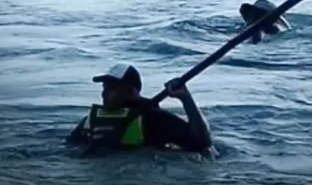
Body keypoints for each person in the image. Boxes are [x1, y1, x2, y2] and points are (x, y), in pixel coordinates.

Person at [67, 63, 212, 154]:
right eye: (104, 87)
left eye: (112, 87)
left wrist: (186, 99)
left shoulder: (152, 118)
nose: (104, 93)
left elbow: (200, 143)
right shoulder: (90, 120)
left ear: (131, 90)